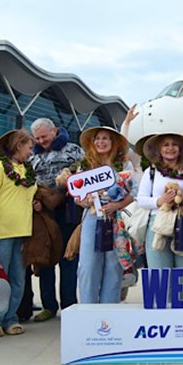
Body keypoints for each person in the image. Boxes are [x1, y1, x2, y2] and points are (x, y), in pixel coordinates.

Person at [26, 117, 84, 322]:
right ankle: (49, 306)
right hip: (43, 214)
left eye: (44, 136)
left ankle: (69, 305)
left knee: (68, 259)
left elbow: (85, 175)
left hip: (68, 212)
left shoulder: (74, 150)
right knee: (45, 259)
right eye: (37, 138)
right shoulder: (32, 157)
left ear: (54, 131)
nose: (41, 141)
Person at [0, 130, 37, 337]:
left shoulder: (26, 170)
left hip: (23, 231)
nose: (31, 152)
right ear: (18, 145)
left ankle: (10, 317)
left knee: (18, 279)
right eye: (29, 147)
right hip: (1, 233)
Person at [76, 127, 135, 304]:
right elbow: (77, 196)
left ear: (113, 143)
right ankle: (88, 307)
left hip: (116, 219)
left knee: (113, 264)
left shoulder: (125, 165)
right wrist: (85, 201)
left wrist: (117, 205)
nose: (101, 142)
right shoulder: (85, 165)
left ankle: (109, 309)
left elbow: (134, 192)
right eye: (98, 139)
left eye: (106, 139)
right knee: (88, 264)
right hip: (92, 217)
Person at [135, 133, 183, 297]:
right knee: (161, 275)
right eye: (166, 145)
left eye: (174, 144)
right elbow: (140, 199)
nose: (170, 148)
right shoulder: (152, 172)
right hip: (159, 223)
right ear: (159, 150)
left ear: (181, 148)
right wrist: (159, 201)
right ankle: (163, 315)